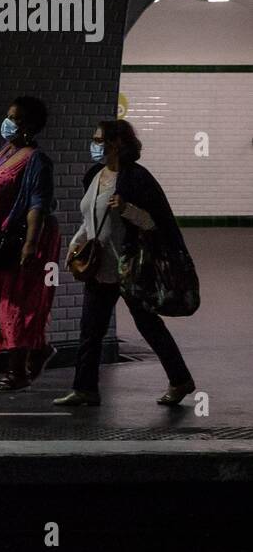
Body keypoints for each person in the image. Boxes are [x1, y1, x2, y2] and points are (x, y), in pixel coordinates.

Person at [55, 119, 196, 407]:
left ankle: (180, 380)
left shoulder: (137, 178)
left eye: (99, 139)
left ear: (116, 143)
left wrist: (127, 209)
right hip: (100, 268)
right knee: (90, 330)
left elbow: (154, 223)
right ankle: (85, 389)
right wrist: (74, 245)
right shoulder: (95, 174)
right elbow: (89, 219)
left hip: (131, 268)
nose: (94, 145)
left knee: (149, 326)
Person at [0, 96, 61, 392]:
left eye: (15, 118)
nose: (7, 123)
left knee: (15, 305)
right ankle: (38, 350)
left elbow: (38, 205)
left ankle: (17, 371)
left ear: (29, 125)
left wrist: (30, 245)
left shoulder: (36, 161)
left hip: (19, 243)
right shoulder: (7, 153)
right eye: (8, 116)